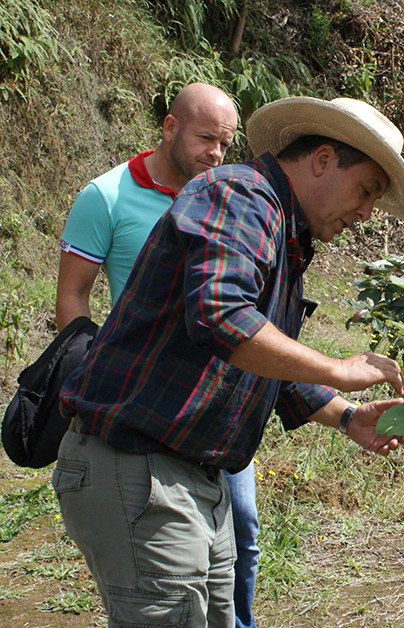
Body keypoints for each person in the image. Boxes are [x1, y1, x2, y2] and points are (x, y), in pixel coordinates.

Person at [53, 96, 404, 628]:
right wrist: (337, 367)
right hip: (141, 464)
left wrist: (345, 414)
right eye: (366, 190)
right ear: (323, 159)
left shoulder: (282, 230)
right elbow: (221, 315)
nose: (366, 212)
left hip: (194, 474)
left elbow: (261, 358)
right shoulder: (239, 196)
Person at [55, 82, 269, 628]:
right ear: (169, 127)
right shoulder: (106, 197)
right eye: (205, 139)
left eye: (225, 145)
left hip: (213, 397)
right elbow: (73, 293)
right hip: (142, 399)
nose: (215, 155)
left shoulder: (230, 199)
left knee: (239, 527)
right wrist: (93, 370)